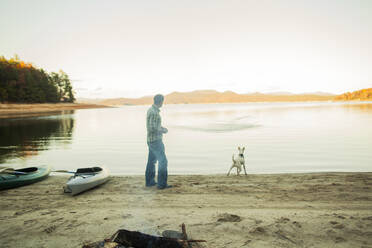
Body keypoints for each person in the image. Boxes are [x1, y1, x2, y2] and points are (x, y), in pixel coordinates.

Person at [145, 94, 172, 189]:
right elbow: (152, 128)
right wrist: (163, 130)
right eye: (162, 101)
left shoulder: (151, 110)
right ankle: (162, 184)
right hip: (155, 141)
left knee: (151, 161)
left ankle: (150, 182)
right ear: (161, 101)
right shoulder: (154, 112)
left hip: (151, 140)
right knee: (163, 161)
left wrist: (161, 127)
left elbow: (153, 126)